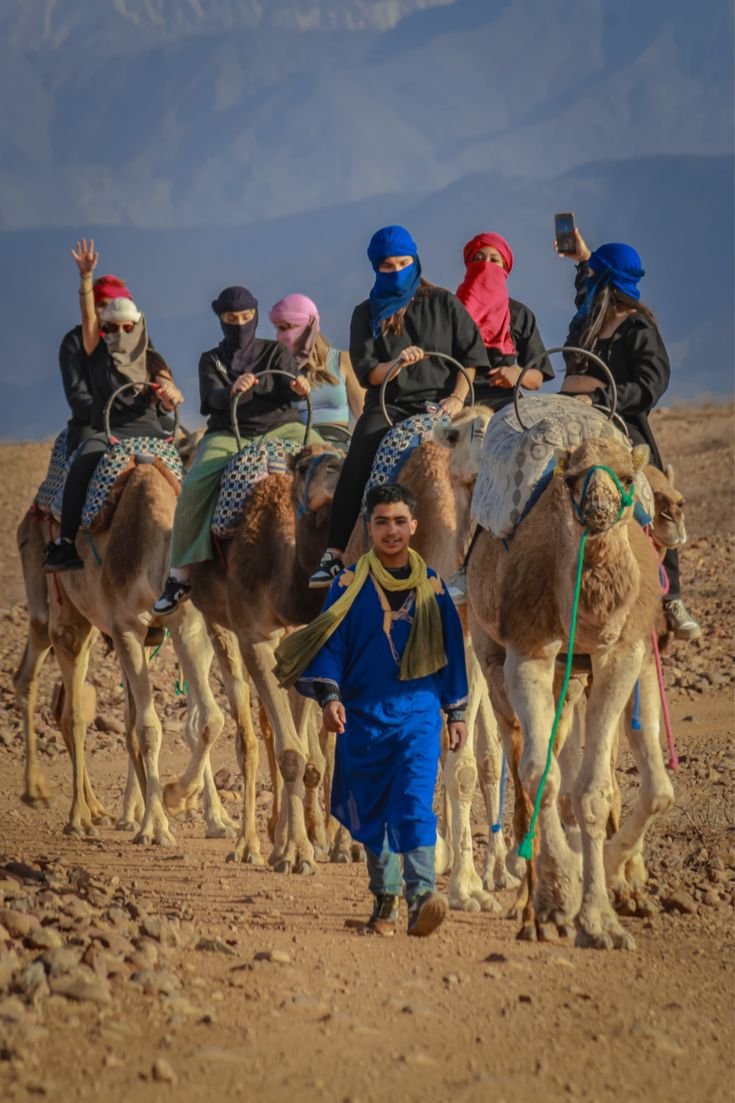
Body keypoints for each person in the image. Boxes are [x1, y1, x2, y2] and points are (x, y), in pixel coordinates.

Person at [275, 483, 468, 937]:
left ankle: (421, 897)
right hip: (361, 720)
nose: (392, 531)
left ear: (415, 526)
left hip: (418, 718)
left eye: (400, 521)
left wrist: (455, 713)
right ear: (368, 527)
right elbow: (331, 647)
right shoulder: (346, 585)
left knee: (414, 803)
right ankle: (385, 901)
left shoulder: (434, 588)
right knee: (372, 812)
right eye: (382, 522)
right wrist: (330, 698)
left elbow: (453, 653)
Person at [309, 224, 487, 588]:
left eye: (403, 263)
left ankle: (490, 550)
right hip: (390, 405)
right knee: (357, 461)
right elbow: (368, 373)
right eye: (387, 266)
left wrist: (455, 398)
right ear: (376, 268)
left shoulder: (444, 302)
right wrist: (397, 365)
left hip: (447, 404)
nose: (396, 271)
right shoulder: (365, 313)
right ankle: (336, 553)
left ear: (415, 259)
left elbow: (469, 359)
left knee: (489, 454)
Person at [557, 227, 701, 641]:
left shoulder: (639, 328)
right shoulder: (589, 321)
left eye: (594, 278)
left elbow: (652, 384)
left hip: (623, 425)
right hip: (577, 421)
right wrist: (583, 261)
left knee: (656, 498)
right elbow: (574, 362)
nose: (587, 287)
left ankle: (670, 596)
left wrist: (602, 396)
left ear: (607, 283)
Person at [153, 285, 311, 614]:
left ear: (255, 315)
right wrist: (230, 391)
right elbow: (211, 399)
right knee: (194, 485)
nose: (239, 323)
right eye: (231, 318)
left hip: (283, 427)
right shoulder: (211, 359)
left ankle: (345, 553)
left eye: (246, 316)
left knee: (332, 461)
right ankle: (179, 576)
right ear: (221, 319)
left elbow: (291, 385)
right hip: (229, 431)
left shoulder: (275, 352)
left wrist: (300, 386)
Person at [44, 239, 183, 572]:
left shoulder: (151, 357)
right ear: (102, 328)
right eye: (111, 327)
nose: (119, 332)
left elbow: (168, 385)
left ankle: (193, 547)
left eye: (126, 327)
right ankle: (65, 543)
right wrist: (86, 279)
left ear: (138, 325)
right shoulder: (96, 352)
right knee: (81, 466)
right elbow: (88, 317)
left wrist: (169, 394)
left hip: (150, 432)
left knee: (186, 476)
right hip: (109, 432)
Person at [456, 231, 554, 410]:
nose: (486, 265)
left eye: (494, 260)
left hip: (504, 405)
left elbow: (537, 379)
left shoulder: (520, 315)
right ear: (469, 265)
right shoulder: (449, 310)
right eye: (478, 259)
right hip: (453, 400)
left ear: (504, 269)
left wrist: (517, 374)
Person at [59, 273, 133, 456]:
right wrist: (110, 415)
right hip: (92, 422)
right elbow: (77, 395)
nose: (106, 310)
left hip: (138, 419)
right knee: (84, 457)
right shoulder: (75, 342)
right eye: (101, 304)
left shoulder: (139, 342)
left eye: (113, 303)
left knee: (183, 444)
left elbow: (156, 375)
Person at [269, 293, 363, 429]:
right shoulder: (281, 369)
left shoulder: (341, 360)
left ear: (308, 326)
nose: (280, 336)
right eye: (277, 329)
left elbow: (363, 413)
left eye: (286, 328)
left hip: (337, 441)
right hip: (298, 442)